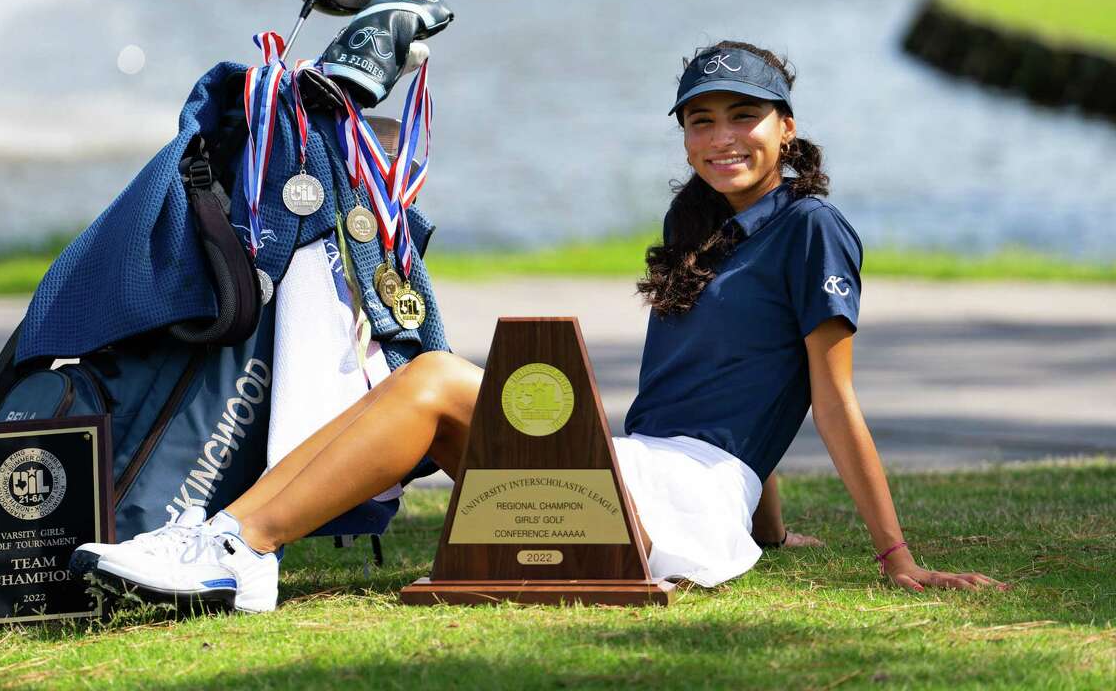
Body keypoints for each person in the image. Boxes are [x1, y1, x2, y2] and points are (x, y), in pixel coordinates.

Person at [73, 40, 1005, 613]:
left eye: (745, 117)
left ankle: (235, 550)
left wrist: (897, 559)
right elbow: (732, 394)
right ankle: (233, 542)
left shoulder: (811, 227)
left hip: (676, 497)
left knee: (436, 376)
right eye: (702, 120)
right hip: (659, 479)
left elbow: (830, 400)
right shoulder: (702, 230)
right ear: (683, 135)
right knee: (428, 393)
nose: (724, 136)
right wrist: (770, 527)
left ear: (788, 127)